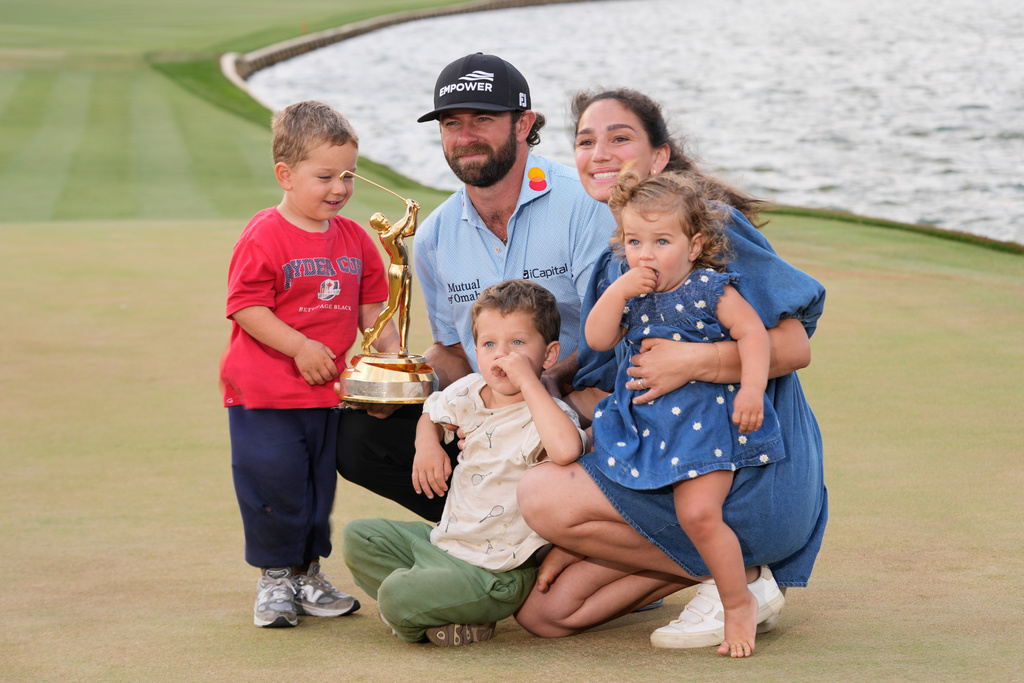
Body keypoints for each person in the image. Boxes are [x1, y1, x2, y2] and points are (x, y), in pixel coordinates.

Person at [514, 89, 827, 652]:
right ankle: (722, 575)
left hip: (743, 470)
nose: (600, 152)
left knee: (542, 495)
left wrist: (696, 362)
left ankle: (743, 584)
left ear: (659, 157)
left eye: (620, 137)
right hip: (664, 459)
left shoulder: (710, 233)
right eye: (586, 141)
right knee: (549, 613)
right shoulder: (623, 259)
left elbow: (793, 345)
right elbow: (610, 362)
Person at [335, 53, 615, 521]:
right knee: (359, 436)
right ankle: (486, 534)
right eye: (451, 123)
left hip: (575, 404)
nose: (465, 137)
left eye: (483, 119)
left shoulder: (584, 205)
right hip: (490, 413)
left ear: (524, 124)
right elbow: (454, 351)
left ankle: (578, 538)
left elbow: (612, 331)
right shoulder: (435, 236)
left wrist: (545, 385)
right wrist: (400, 387)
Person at [586, 171, 784, 657]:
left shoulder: (708, 288)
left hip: (702, 430)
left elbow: (754, 336)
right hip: (647, 430)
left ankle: (738, 602)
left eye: (661, 241)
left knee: (698, 512)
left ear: (694, 245)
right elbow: (596, 339)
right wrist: (617, 292)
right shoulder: (630, 292)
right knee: (617, 498)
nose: (645, 254)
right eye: (634, 241)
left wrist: (752, 390)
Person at [221, 100, 400, 628]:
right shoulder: (264, 234)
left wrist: (390, 360)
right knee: (273, 485)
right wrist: (300, 347)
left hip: (326, 395)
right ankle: (275, 580)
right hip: (264, 395)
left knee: (315, 489)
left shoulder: (354, 239)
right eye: (325, 176)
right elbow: (246, 306)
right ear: (286, 174)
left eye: (347, 175)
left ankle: (306, 572)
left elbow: (374, 308)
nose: (340, 188)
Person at [342, 280, 587, 646]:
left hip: (497, 572)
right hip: (445, 543)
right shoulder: (468, 389)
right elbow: (432, 411)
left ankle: (427, 610)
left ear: (549, 355)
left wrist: (529, 383)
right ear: (476, 350)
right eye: (489, 344)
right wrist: (427, 444)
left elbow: (567, 450)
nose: (501, 355)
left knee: (395, 594)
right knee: (359, 537)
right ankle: (444, 609)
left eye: (517, 344)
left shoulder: (548, 416)